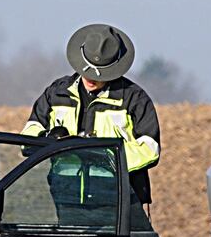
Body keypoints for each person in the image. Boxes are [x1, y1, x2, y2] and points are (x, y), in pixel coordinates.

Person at [22, 24, 160, 218]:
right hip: (67, 197)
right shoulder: (56, 92)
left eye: (100, 72)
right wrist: (48, 140)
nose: (91, 77)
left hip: (119, 200)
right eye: (88, 69)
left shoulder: (134, 98)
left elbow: (150, 149)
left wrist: (103, 155)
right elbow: (29, 133)